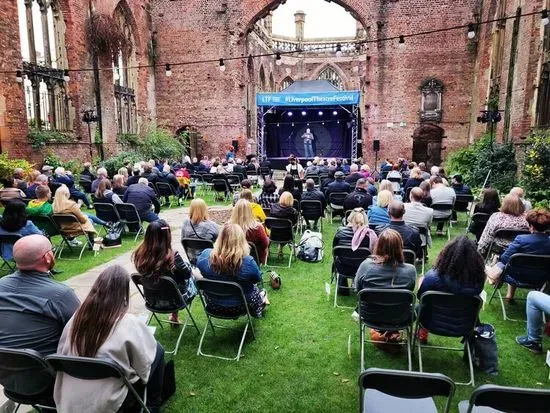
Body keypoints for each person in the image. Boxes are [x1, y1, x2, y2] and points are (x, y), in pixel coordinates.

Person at [53, 265, 165, 413]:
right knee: (158, 350)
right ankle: (152, 405)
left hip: (69, 399)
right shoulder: (128, 322)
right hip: (108, 402)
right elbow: (143, 366)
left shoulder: (77, 317)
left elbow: (61, 352)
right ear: (123, 292)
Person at [0, 234, 79, 354]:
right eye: (52, 251)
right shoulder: (61, 295)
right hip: (42, 369)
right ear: (48, 257)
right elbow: (83, 330)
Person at [417, 236, 485, 344]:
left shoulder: (432, 277)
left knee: (421, 303)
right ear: (474, 258)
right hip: (465, 325)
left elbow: (420, 297)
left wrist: (421, 282)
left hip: (431, 322)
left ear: (447, 255)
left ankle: (422, 334)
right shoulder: (478, 280)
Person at [197, 223, 268, 318]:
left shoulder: (205, 256)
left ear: (220, 238)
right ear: (241, 240)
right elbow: (257, 279)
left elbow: (200, 269)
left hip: (213, 305)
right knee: (255, 288)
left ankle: (260, 300)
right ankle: (260, 303)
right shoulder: (247, 262)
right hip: (240, 306)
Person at [134, 219, 196, 323]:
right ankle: (174, 316)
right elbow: (187, 275)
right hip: (175, 302)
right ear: (167, 236)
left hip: (152, 301)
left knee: (170, 280)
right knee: (190, 276)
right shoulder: (173, 256)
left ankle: (174, 317)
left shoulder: (139, 254)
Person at [486, 209, 550, 302]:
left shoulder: (521, 239)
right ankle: (505, 291)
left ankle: (492, 276)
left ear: (531, 226)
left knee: (503, 263)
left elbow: (504, 259)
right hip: (541, 278)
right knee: (512, 262)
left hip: (516, 277)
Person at [333, 208, 378, 295]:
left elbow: (335, 252)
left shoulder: (340, 233)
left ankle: (342, 288)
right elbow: (374, 254)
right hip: (364, 269)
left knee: (338, 258)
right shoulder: (370, 236)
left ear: (350, 218)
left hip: (343, 268)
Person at [181, 198, 219, 262]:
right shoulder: (211, 225)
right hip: (208, 260)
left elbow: (183, 238)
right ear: (204, 209)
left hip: (192, 259)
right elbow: (218, 240)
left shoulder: (185, 223)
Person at [231, 199, 269, 264]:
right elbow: (265, 244)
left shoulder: (228, 228)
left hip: (232, 259)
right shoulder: (257, 228)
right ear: (250, 211)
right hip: (254, 260)